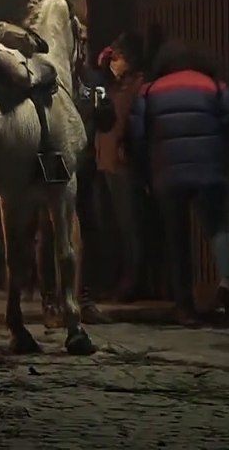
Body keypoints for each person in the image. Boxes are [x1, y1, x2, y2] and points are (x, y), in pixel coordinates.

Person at [129, 39, 229, 326]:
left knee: (177, 239)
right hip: (210, 167)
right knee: (217, 227)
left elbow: (137, 135)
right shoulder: (214, 85)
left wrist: (145, 172)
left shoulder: (150, 91)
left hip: (167, 173)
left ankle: (185, 307)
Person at [95, 34, 146, 301]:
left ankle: (132, 282)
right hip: (105, 162)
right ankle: (115, 280)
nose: (115, 61)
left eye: (119, 57)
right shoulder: (111, 86)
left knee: (129, 225)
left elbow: (137, 123)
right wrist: (103, 65)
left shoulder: (138, 84)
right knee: (111, 226)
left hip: (123, 163)